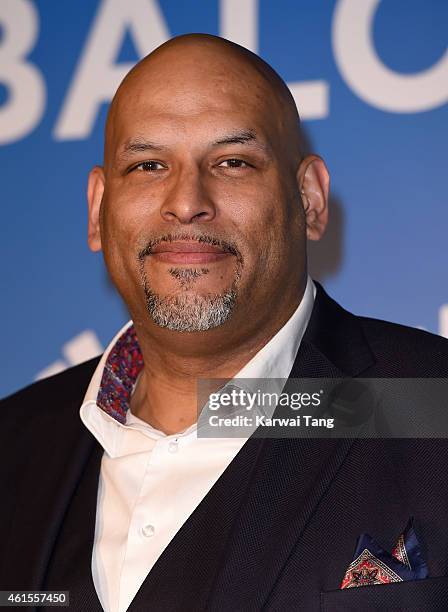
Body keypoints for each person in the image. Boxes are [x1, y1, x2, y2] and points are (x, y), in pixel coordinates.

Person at [1, 33, 448, 612]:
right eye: (148, 164)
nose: (186, 200)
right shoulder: (13, 443)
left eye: (232, 162)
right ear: (97, 210)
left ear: (308, 200)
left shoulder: (429, 403)